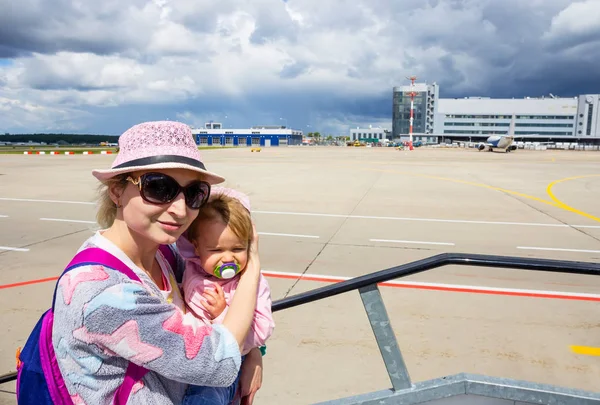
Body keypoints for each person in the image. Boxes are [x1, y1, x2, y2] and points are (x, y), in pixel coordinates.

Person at [51, 121, 264, 404]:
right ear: (117, 190)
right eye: (159, 188)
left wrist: (253, 354)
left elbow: (228, 296)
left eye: (194, 193)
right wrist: (252, 266)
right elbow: (218, 361)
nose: (180, 210)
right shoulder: (102, 291)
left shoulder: (162, 254)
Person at [176, 187, 275, 405]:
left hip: (224, 368)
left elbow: (262, 330)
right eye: (216, 250)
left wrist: (223, 315)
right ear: (197, 248)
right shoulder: (190, 269)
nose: (228, 258)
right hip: (190, 364)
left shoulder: (250, 283)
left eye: (238, 248)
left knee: (205, 398)